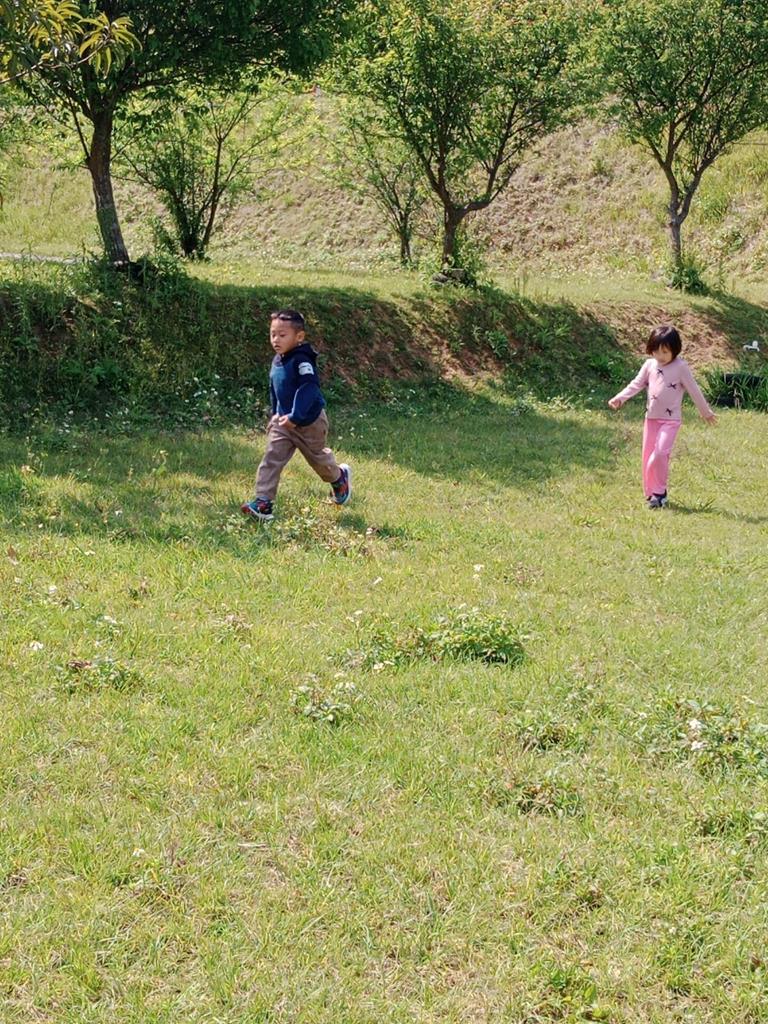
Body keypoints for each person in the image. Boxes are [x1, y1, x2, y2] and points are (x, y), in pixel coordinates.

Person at [241, 309, 351, 522]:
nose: (276, 339)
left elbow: (308, 389)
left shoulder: (302, 361)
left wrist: (296, 416)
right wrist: (276, 414)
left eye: (282, 335)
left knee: (318, 461)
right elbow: (275, 389)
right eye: (273, 334)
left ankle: (339, 478)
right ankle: (263, 503)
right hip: (284, 423)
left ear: (299, 337)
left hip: (309, 422)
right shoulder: (277, 360)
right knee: (271, 458)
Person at [608, 324, 716, 508]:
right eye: (656, 351)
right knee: (647, 456)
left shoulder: (680, 367)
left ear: (675, 349)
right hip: (651, 419)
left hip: (670, 421)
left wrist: (705, 412)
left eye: (665, 352)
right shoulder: (649, 365)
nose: (660, 356)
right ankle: (652, 494)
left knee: (659, 454)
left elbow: (694, 390)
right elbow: (636, 384)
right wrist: (620, 398)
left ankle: (660, 491)